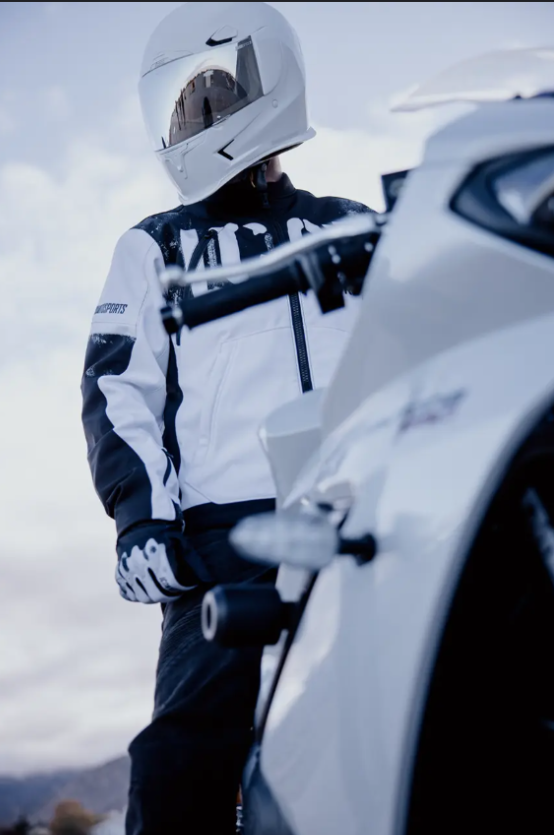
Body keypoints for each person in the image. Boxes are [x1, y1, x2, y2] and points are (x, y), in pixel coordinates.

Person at [81, 2, 373, 833]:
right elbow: (116, 388)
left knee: (426, 707)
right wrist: (141, 520)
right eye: (182, 106)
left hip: (362, 512)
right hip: (222, 540)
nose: (192, 122)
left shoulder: (350, 225)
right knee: (180, 761)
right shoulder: (155, 246)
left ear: (265, 83)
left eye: (209, 101)